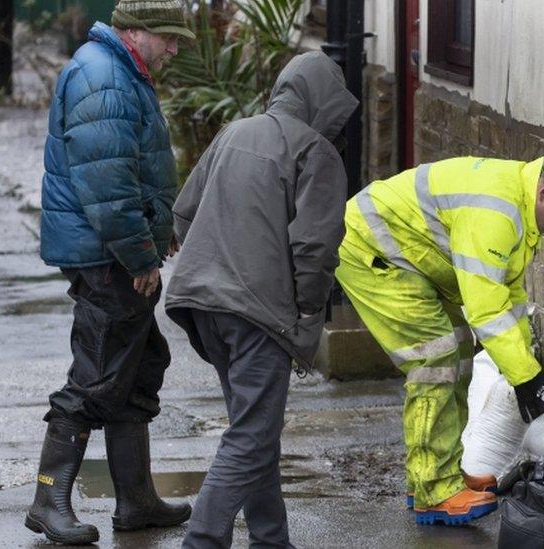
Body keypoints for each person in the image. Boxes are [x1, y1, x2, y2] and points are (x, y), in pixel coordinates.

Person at [334, 134, 544, 525]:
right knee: (434, 358)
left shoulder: (519, 209)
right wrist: (530, 380)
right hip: (371, 252)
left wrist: (531, 374)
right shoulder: (497, 214)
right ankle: (434, 490)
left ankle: (438, 472)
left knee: (462, 352)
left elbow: (508, 301)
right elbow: (485, 310)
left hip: (404, 260)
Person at [164, 51, 358, 548]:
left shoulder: (235, 131)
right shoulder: (316, 152)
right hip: (259, 316)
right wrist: (309, 312)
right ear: (325, 104)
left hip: (201, 305)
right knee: (251, 437)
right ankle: (202, 541)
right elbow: (313, 249)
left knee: (254, 431)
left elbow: (183, 214)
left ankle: (271, 540)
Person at [26, 0, 195, 544]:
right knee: (98, 376)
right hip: (107, 256)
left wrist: (157, 226)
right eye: (168, 38)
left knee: (139, 363)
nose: (174, 49)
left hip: (111, 248)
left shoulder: (120, 71)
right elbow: (106, 183)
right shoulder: (105, 76)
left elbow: (130, 168)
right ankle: (48, 501)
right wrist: (140, 256)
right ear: (134, 30)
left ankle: (137, 500)